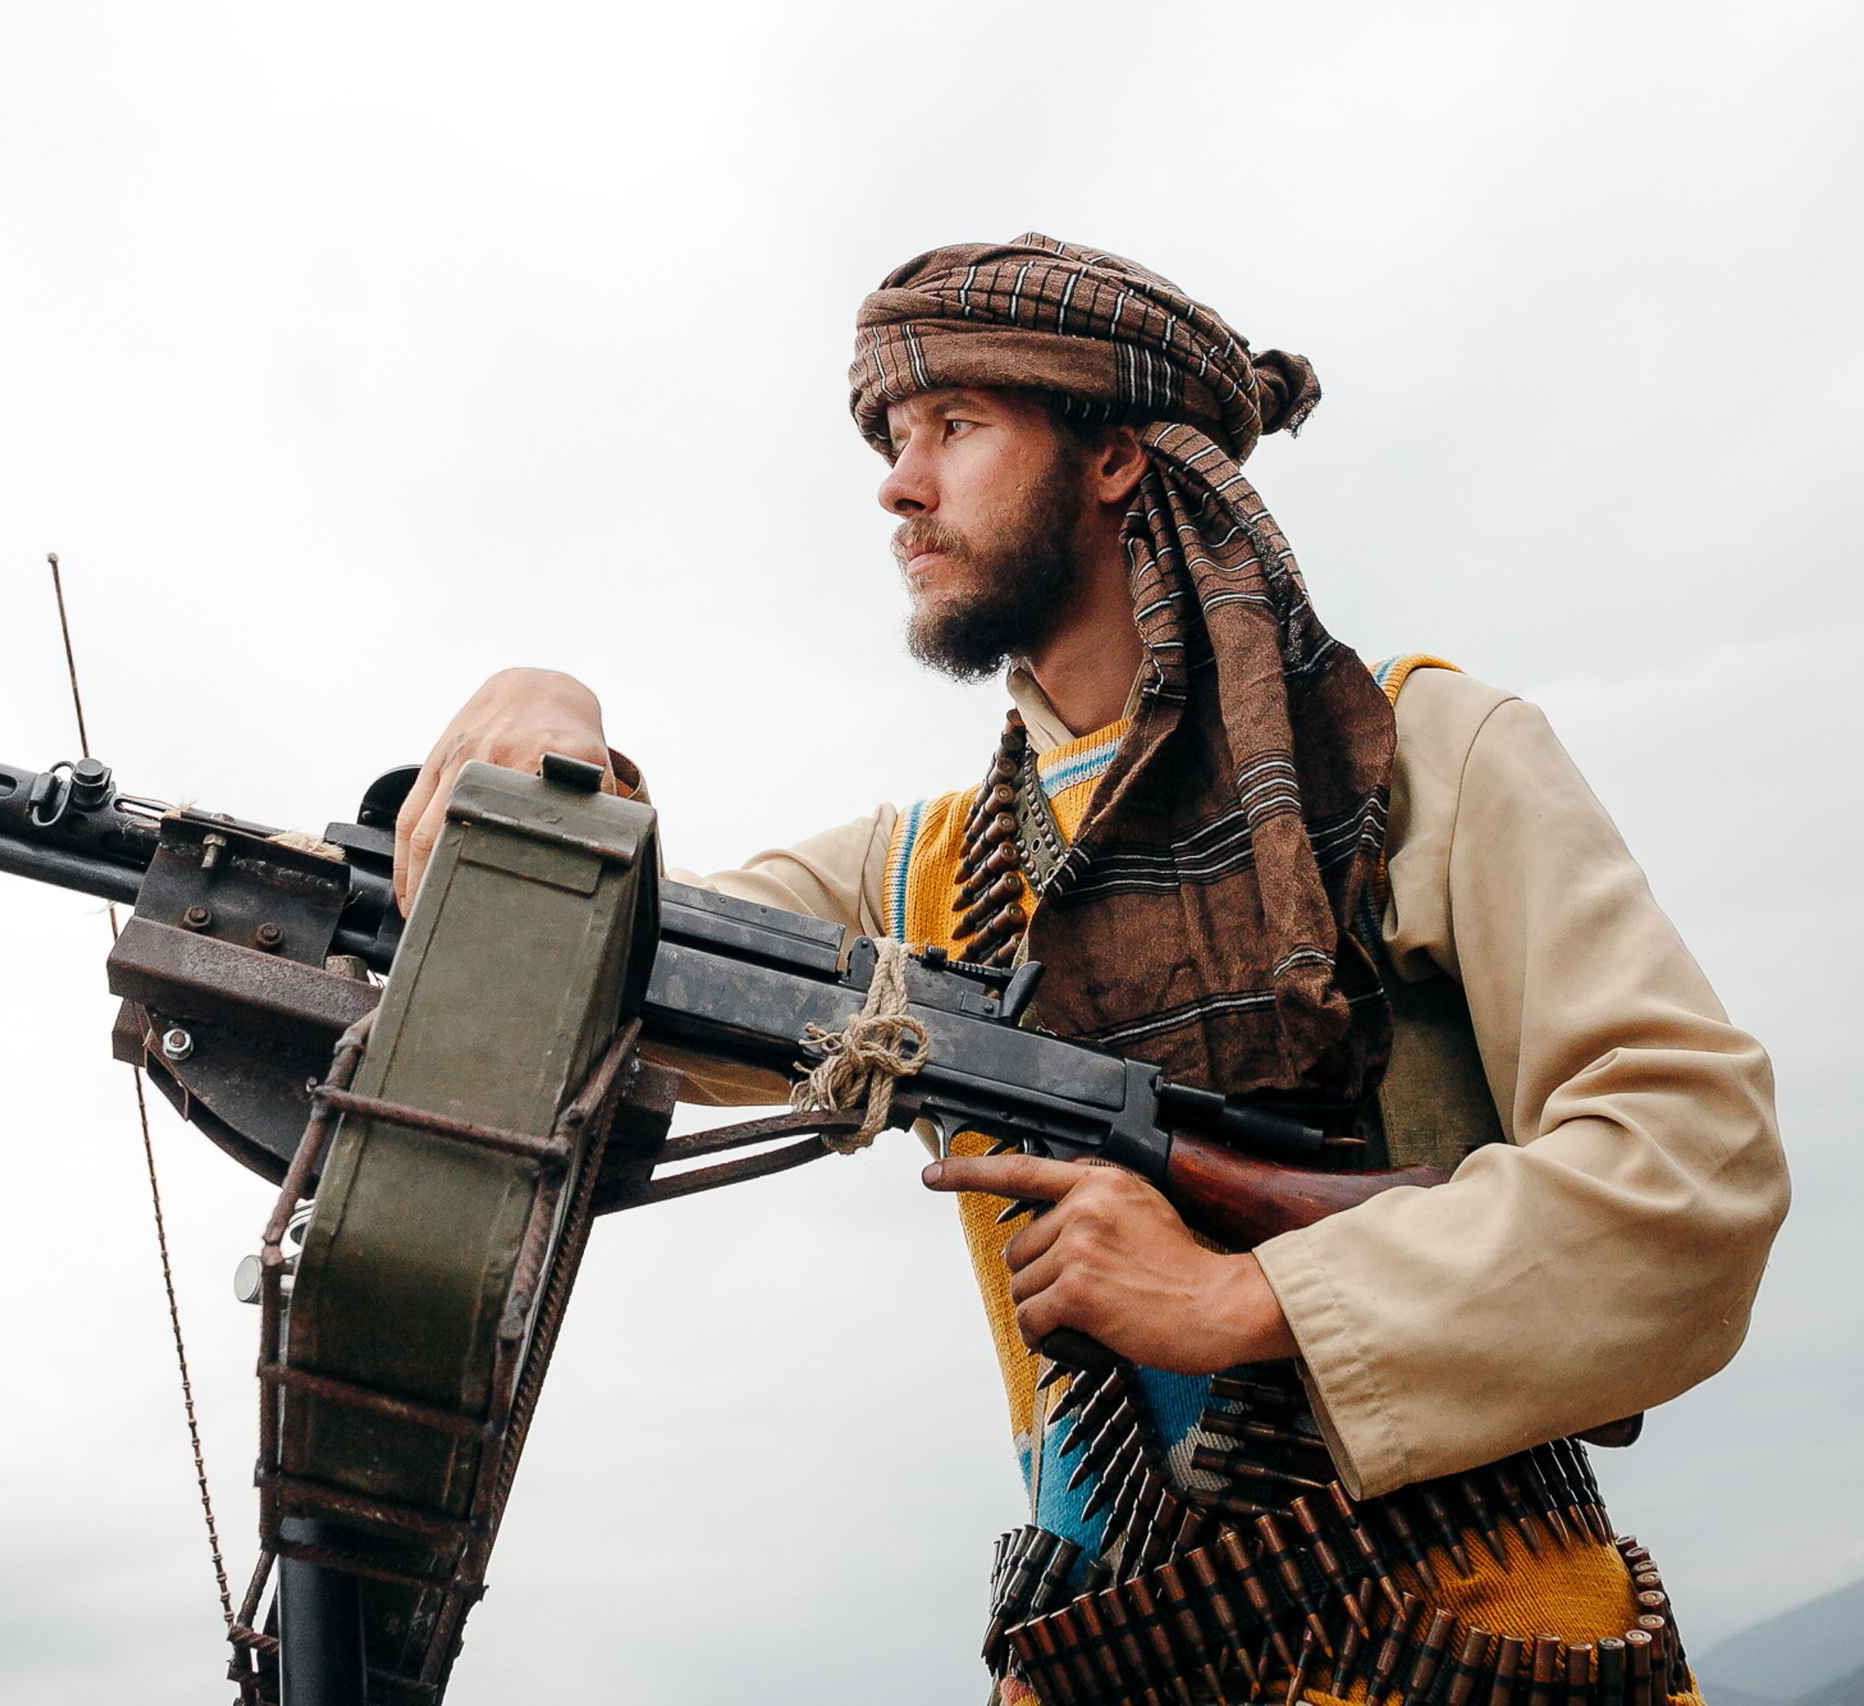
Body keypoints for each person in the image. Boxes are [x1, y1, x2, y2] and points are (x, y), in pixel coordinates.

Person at [391, 236, 1787, 1706]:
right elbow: (603, 967)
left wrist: (1249, 1300)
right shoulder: (927, 877)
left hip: (1472, 1647)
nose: (898, 484)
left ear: (1114, 455)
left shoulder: (1414, 756)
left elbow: (1692, 1166)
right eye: (891, 439)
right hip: (1118, 1658)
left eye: (955, 425)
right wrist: (556, 731)